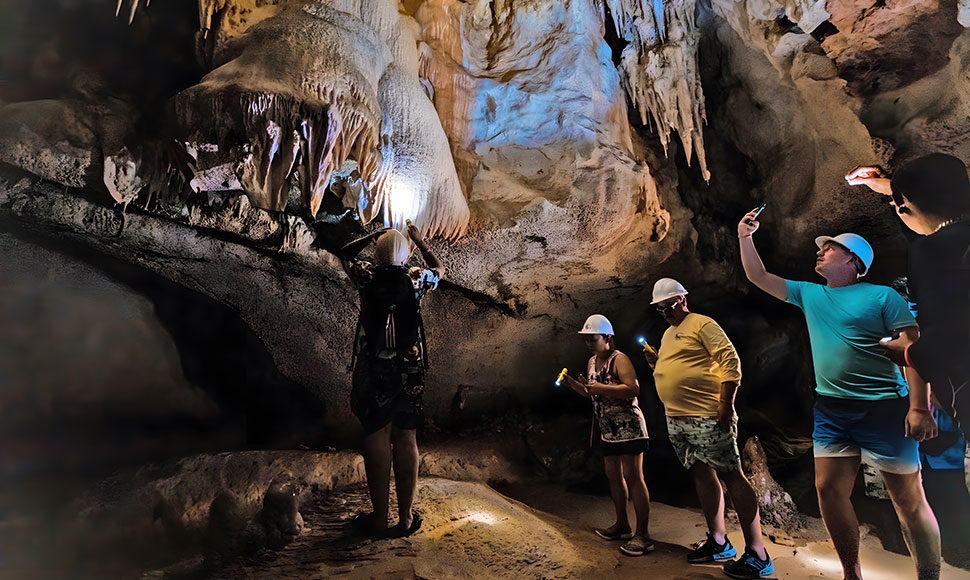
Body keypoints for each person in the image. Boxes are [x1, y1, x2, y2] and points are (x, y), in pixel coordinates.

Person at [738, 213, 941, 580]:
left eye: (830, 248)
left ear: (853, 260)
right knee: (828, 490)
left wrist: (918, 406)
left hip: (884, 408)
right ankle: (852, 574)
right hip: (832, 408)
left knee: (908, 500)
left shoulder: (883, 296)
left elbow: (912, 348)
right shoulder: (810, 293)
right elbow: (758, 276)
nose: (820, 251)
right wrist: (744, 238)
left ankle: (929, 577)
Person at [643, 278, 773, 579]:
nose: (665, 312)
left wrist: (725, 405)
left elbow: (730, 362)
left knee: (732, 475)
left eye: (669, 306)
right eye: (660, 309)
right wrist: (657, 364)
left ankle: (758, 553)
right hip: (677, 418)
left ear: (683, 299)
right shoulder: (668, 332)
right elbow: (682, 367)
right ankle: (718, 541)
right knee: (701, 472)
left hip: (707, 416)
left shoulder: (703, 324)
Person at [846, 155, 970, 429]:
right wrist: (893, 188)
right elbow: (932, 227)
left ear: (905, 207)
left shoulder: (930, 253)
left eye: (898, 205)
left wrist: (907, 353)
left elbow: (953, 335)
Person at [345, 224, 443, 537]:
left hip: (373, 366)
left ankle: (379, 519)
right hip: (409, 366)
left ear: (377, 251)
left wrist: (374, 234)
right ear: (405, 254)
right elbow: (440, 270)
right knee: (406, 437)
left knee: (376, 435)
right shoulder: (416, 277)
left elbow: (342, 253)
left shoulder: (365, 273)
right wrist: (420, 240)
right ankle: (405, 519)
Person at [561, 315, 653, 557]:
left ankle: (643, 535)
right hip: (608, 430)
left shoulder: (619, 359)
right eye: (587, 340)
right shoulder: (592, 362)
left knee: (634, 477)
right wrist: (575, 386)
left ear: (608, 338)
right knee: (614, 477)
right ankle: (622, 525)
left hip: (629, 427)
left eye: (594, 339)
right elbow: (593, 392)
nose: (590, 345)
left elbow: (633, 388)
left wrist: (601, 388)